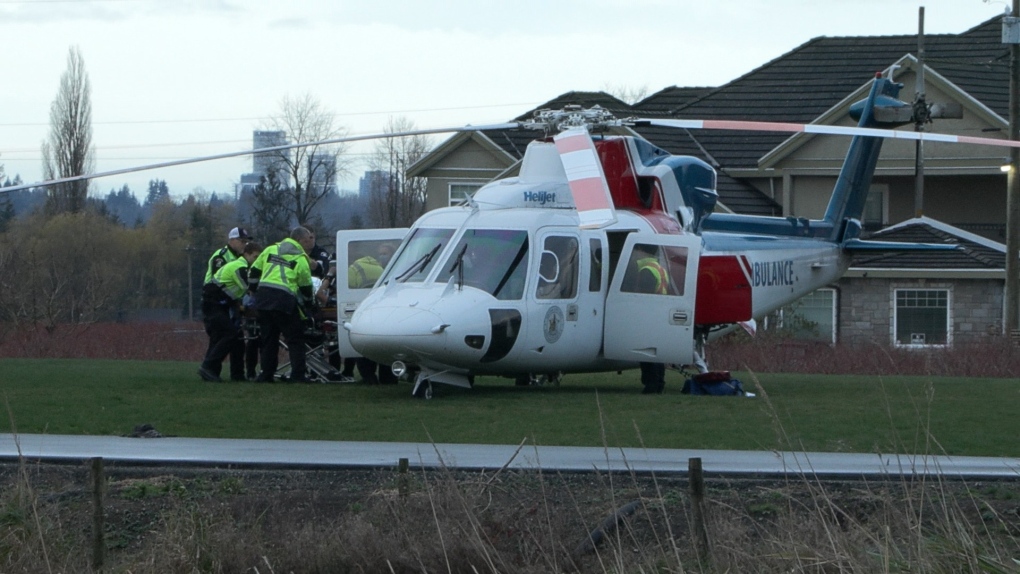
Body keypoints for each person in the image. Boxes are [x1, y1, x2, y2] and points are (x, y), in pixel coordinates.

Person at [249, 226, 316, 383]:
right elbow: (306, 286)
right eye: (307, 240)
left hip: (264, 298)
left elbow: (254, 272)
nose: (310, 244)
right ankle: (298, 375)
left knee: (268, 339)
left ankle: (266, 374)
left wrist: (252, 290)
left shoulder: (270, 249)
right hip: (284, 300)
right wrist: (309, 305)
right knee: (295, 339)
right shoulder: (300, 258)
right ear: (299, 240)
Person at [199, 242, 263, 382]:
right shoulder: (239, 267)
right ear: (246, 254)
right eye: (255, 256)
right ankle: (208, 367)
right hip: (214, 303)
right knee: (229, 334)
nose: (257, 261)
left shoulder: (239, 266)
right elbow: (250, 288)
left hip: (219, 303)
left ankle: (236, 374)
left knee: (232, 338)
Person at [341, 241, 398, 384]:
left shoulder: (356, 268)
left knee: (365, 345)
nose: (382, 256)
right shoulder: (382, 269)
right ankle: (389, 378)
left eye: (385, 253)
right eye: (381, 254)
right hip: (384, 314)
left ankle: (369, 377)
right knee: (385, 346)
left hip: (371, 311)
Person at [630, 243, 670, 394]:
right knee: (656, 351)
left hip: (648, 315)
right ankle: (659, 382)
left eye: (637, 251)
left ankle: (651, 384)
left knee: (646, 351)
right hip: (658, 314)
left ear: (642, 252)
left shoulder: (646, 270)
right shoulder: (660, 269)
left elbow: (642, 296)